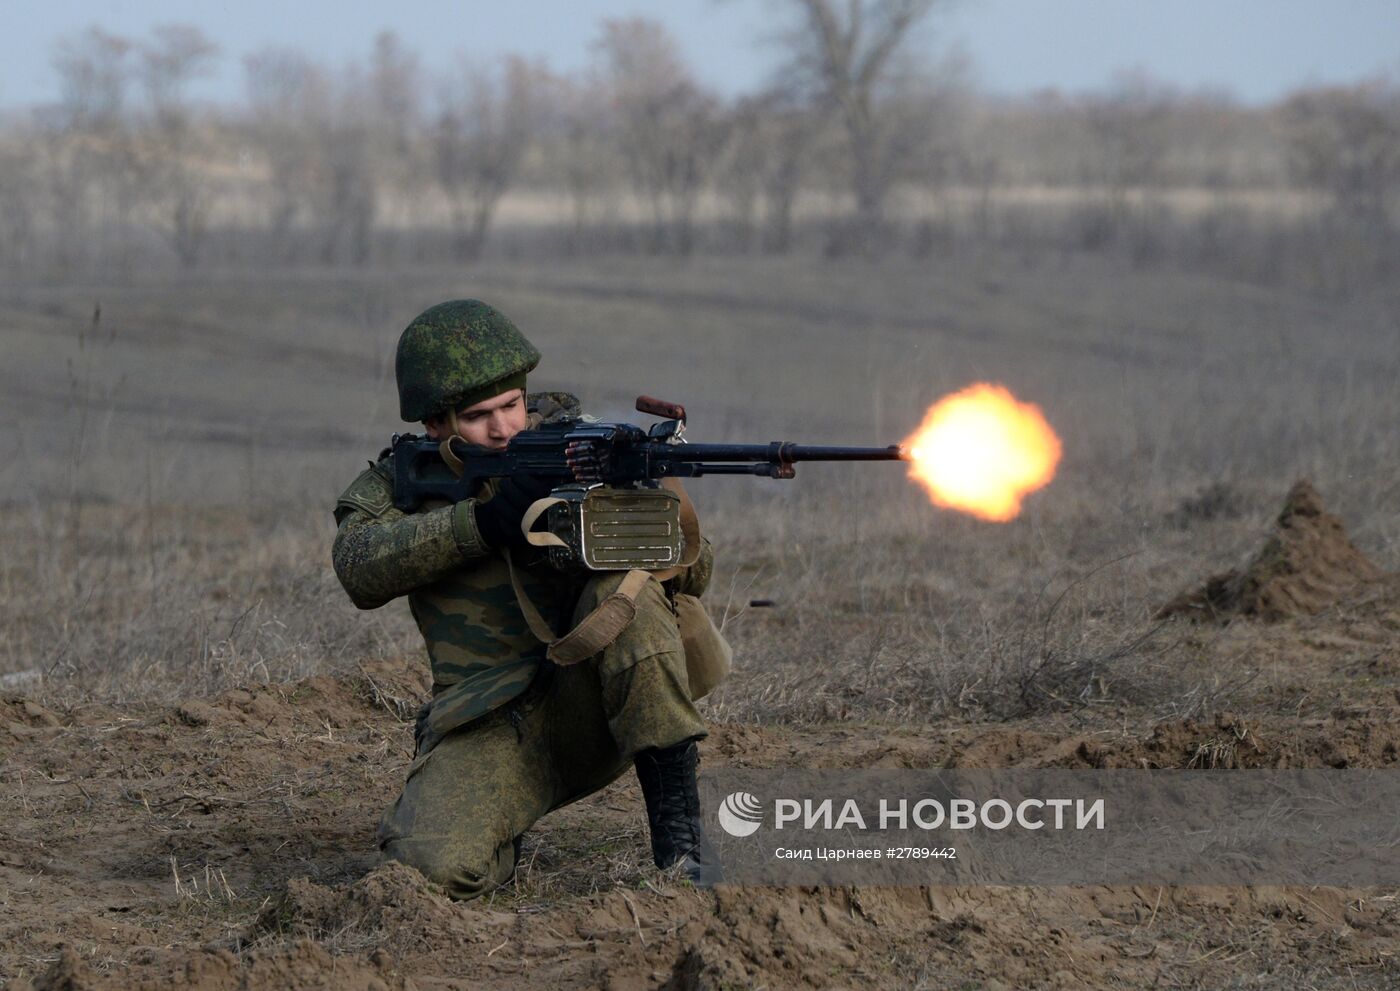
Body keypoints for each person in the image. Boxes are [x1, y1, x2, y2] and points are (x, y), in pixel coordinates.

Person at [330, 298, 720, 900]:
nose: (503, 429)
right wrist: (482, 524)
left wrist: (628, 506)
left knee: (625, 599)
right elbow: (359, 567)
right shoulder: (401, 481)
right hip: (490, 721)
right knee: (429, 869)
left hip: (603, 700)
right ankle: (501, 825)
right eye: (477, 416)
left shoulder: (581, 448)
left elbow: (697, 575)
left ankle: (682, 847)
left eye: (511, 405)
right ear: (434, 425)